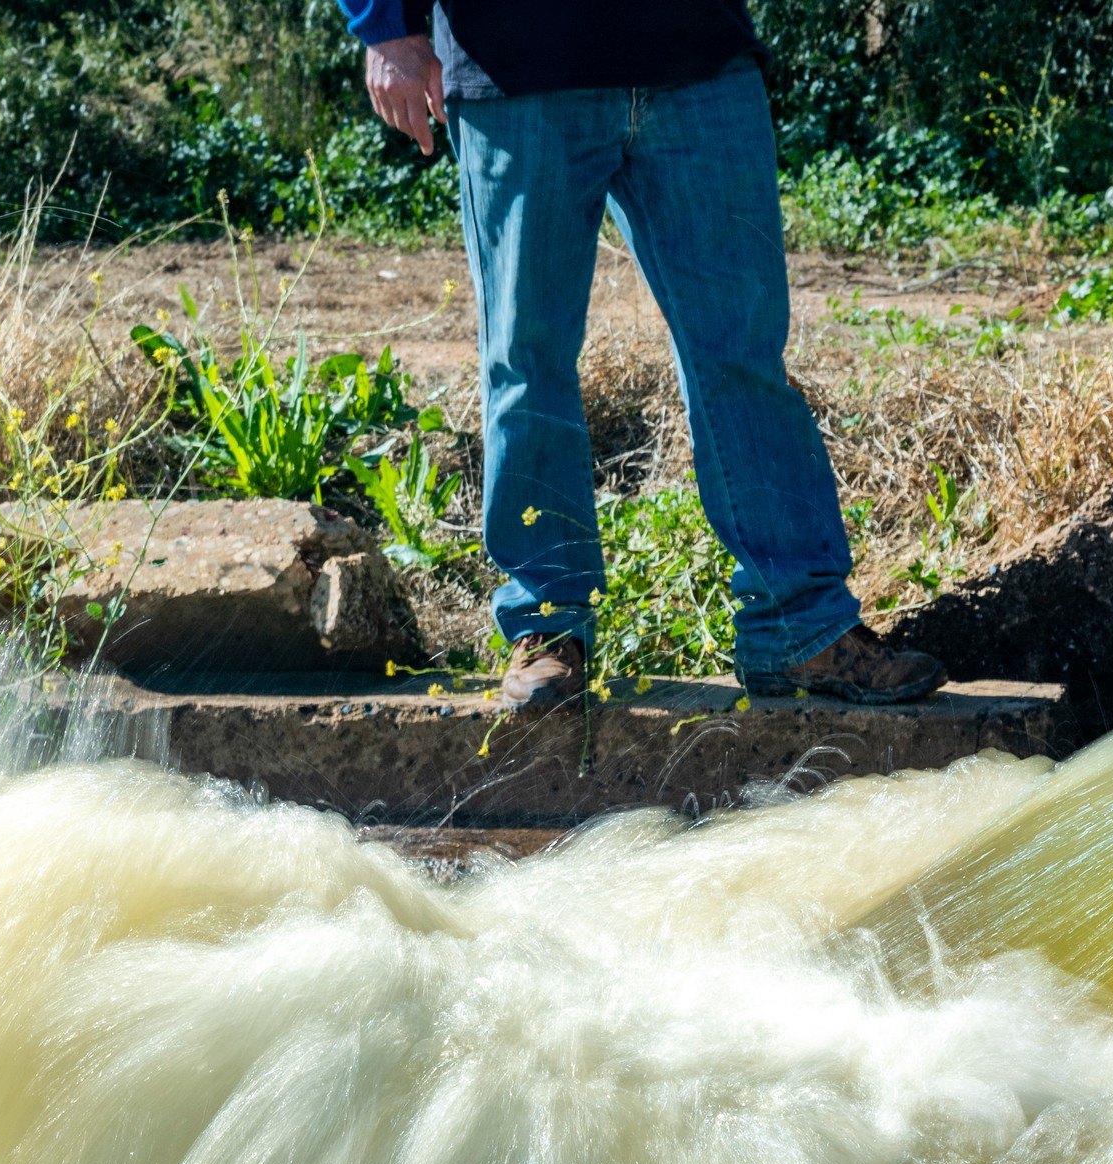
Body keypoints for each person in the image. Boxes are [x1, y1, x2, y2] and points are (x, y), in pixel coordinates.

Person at [336, 0, 947, 711]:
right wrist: (385, 25)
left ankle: (799, 628)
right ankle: (546, 625)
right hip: (517, 65)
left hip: (698, 59)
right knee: (528, 362)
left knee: (743, 357)